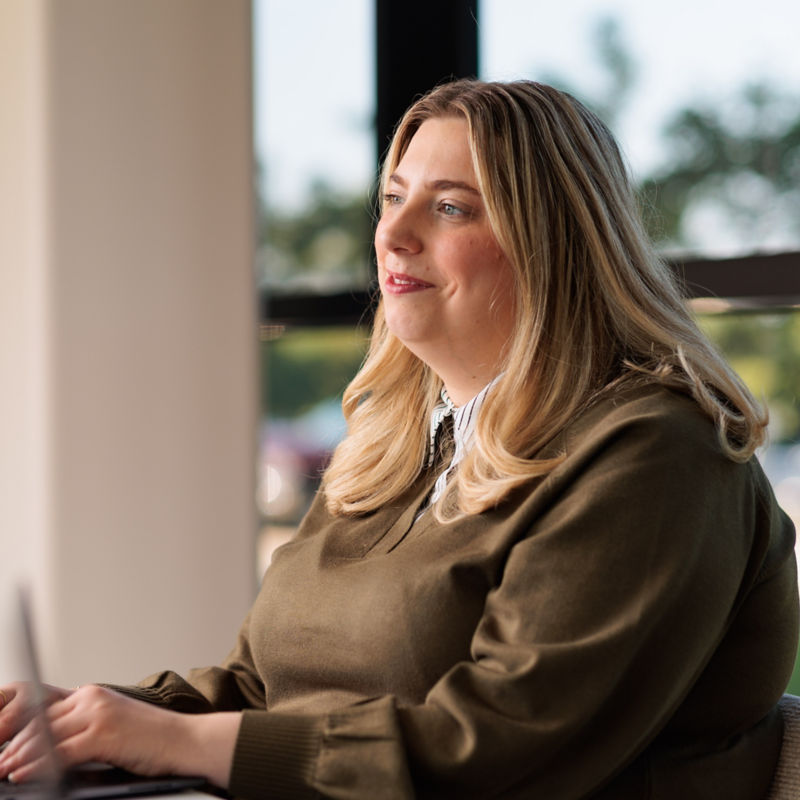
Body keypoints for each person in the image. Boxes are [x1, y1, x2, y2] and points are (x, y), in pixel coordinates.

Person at [0, 78, 797, 799]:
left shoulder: (657, 451)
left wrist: (178, 741)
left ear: (550, 243)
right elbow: (260, 685)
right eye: (392, 197)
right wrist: (93, 716)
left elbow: (501, 748)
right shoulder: (394, 445)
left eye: (449, 207)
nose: (392, 234)